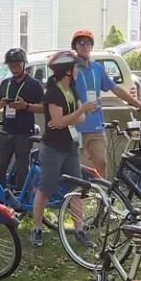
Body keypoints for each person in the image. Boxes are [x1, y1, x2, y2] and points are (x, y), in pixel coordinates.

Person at [30, 49, 96, 248]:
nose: (77, 70)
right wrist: (79, 111)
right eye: (74, 67)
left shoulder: (72, 89)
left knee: (76, 187)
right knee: (46, 189)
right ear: (67, 70)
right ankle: (37, 228)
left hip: (70, 145)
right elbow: (59, 121)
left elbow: (75, 119)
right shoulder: (53, 93)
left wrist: (73, 116)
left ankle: (79, 229)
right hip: (52, 148)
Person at [70, 29, 141, 176]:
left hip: (95, 126)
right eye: (81, 43)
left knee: (102, 162)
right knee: (73, 168)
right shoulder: (69, 70)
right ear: (75, 46)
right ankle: (76, 196)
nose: (85, 46)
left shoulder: (97, 68)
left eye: (89, 43)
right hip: (74, 127)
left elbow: (116, 89)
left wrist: (139, 105)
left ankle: (102, 196)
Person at [0, 47, 44, 195]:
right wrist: (0, 104)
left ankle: (21, 200)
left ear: (23, 64)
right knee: (0, 166)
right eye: (11, 66)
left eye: (17, 65)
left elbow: (44, 107)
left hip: (24, 133)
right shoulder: (5, 83)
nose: (14, 69)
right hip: (6, 130)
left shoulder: (34, 84)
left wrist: (26, 106)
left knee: (22, 167)